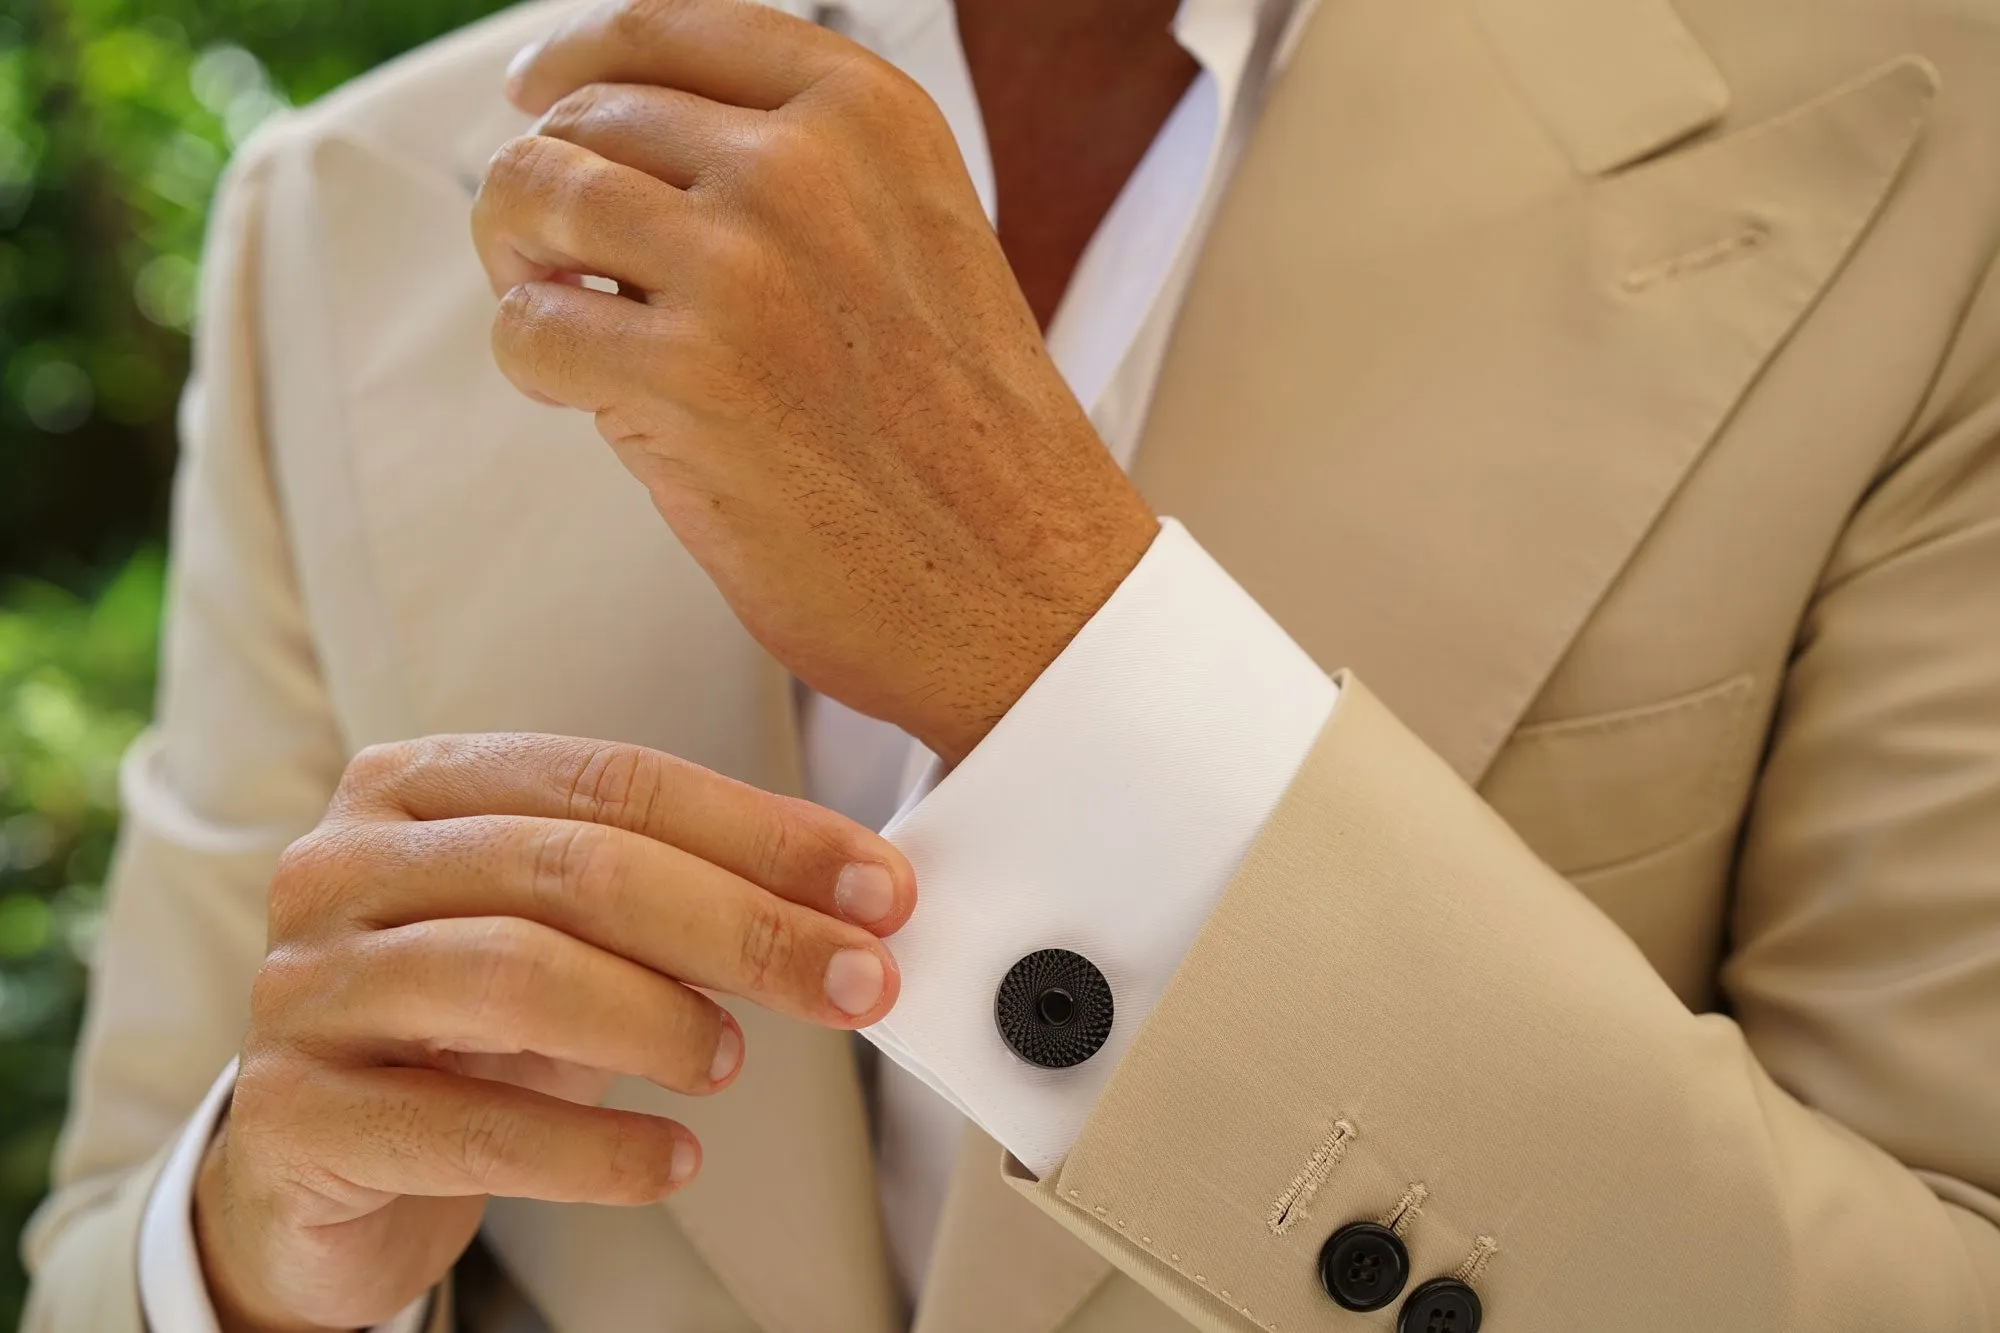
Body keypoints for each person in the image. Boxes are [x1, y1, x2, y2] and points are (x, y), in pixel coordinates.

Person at [21, 0, 2000, 1328]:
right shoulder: (343, 216)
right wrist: (253, 1259)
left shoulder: (1928, 120)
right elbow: (117, 1243)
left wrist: (1059, 650)